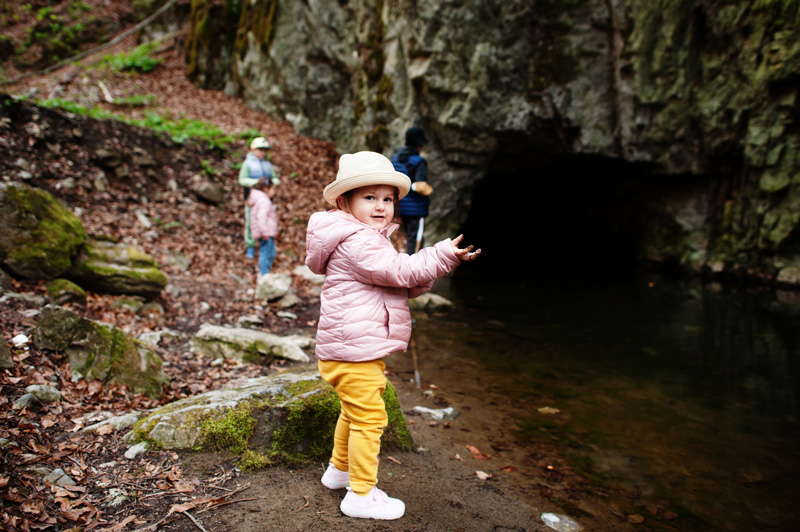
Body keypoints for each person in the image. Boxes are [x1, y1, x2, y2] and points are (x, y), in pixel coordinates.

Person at [305, 151, 480, 520]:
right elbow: (398, 271)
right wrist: (443, 254)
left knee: (354, 413)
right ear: (344, 201)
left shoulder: (359, 236)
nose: (381, 206)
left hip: (348, 348)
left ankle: (339, 472)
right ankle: (361, 495)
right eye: (369, 197)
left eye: (387, 198)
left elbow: (396, 282)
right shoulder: (359, 241)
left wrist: (426, 269)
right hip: (352, 350)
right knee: (370, 419)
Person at [391, 126, 434, 254]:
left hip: (399, 206)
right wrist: (428, 190)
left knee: (408, 237)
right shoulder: (419, 162)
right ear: (419, 144)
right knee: (416, 240)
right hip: (416, 208)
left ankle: (406, 267)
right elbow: (420, 186)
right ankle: (413, 271)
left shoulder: (395, 159)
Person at [239, 137, 275, 259]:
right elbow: (242, 180)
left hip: (266, 197)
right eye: (260, 149)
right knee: (251, 220)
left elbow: (274, 178)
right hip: (252, 197)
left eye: (264, 150)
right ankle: (250, 246)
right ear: (253, 150)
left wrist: (273, 182)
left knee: (265, 218)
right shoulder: (248, 163)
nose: (262, 152)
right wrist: (255, 181)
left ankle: (264, 243)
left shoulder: (267, 164)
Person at [248, 178, 278, 276]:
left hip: (266, 232)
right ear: (266, 189)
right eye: (273, 189)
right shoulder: (264, 201)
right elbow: (261, 217)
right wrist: (265, 232)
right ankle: (263, 274)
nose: (274, 192)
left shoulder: (261, 200)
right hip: (266, 233)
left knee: (272, 253)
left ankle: (266, 271)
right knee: (266, 253)